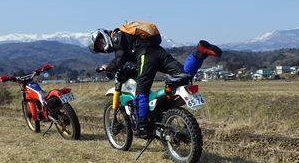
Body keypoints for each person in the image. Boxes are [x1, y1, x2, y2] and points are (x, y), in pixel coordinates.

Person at [89, 21, 222, 138]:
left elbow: (120, 59)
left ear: (104, 34)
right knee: (183, 75)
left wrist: (108, 68)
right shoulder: (127, 40)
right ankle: (199, 53)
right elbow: (127, 58)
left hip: (146, 55)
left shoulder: (117, 36)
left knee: (141, 92)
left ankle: (142, 126)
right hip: (158, 52)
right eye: (99, 48)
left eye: (100, 42)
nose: (101, 46)